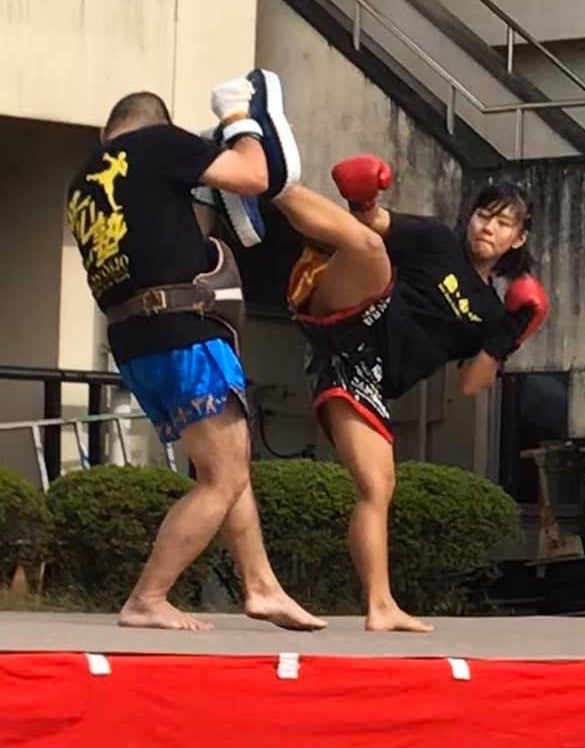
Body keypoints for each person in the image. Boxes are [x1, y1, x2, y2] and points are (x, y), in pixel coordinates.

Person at [217, 148, 548, 632]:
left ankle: (380, 605)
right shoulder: (436, 240)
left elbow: (472, 383)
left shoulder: (491, 314)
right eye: (484, 215)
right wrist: (364, 199)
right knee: (367, 244)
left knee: (378, 487)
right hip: (351, 311)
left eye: (503, 223)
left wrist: (512, 335)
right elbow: (370, 224)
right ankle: (267, 182)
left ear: (517, 239)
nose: (488, 228)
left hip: (358, 373)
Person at [66, 70, 326, 632]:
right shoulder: (158, 143)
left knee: (227, 463)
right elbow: (254, 175)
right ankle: (148, 597)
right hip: (182, 328)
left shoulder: (82, 184)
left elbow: (177, 230)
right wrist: (238, 118)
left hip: (133, 340)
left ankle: (260, 585)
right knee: (223, 476)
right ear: (156, 124)